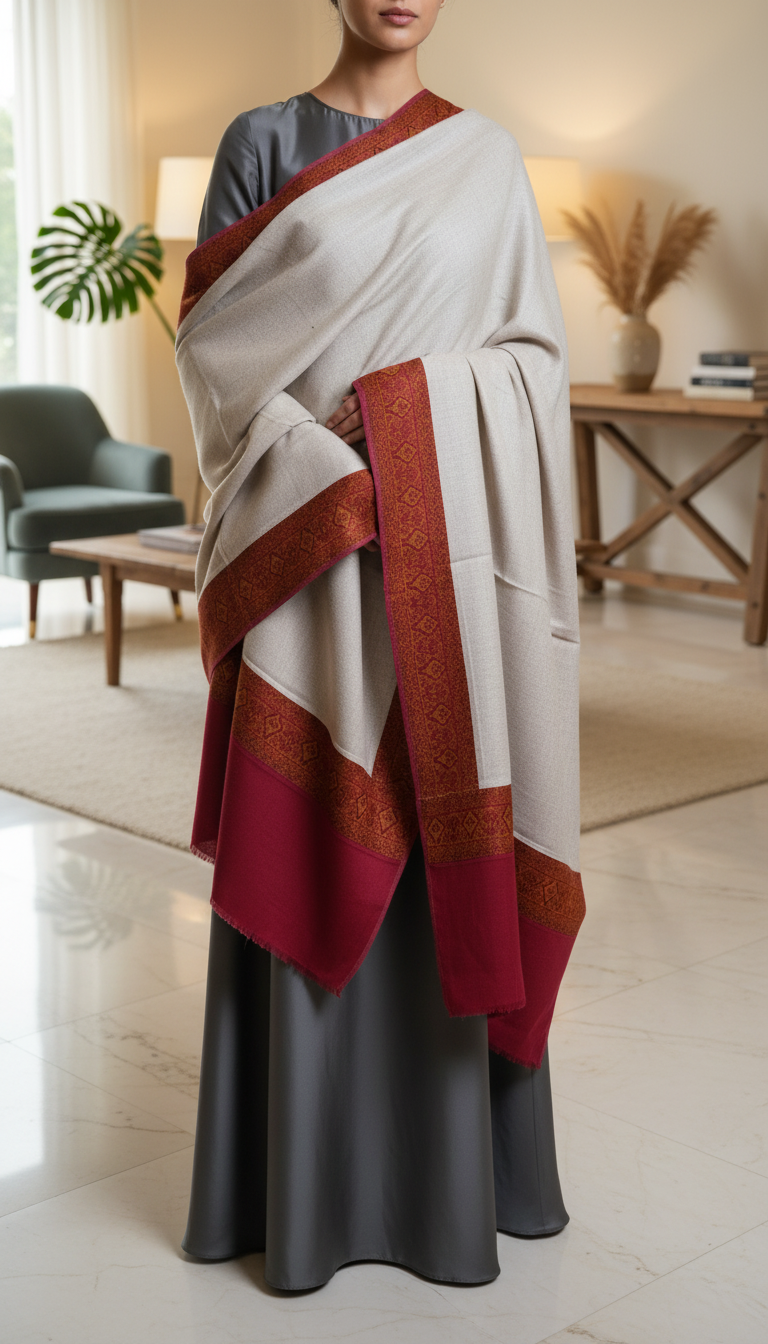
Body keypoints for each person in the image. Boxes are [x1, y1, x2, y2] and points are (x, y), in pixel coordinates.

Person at [178, 0, 585, 1291]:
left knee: (443, 826)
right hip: (310, 556)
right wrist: (331, 459)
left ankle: (460, 1187)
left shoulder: (485, 157)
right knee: (309, 841)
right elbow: (216, 366)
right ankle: (296, 1197)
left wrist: (405, 414)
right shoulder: (262, 142)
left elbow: (531, 363)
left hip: (448, 573)